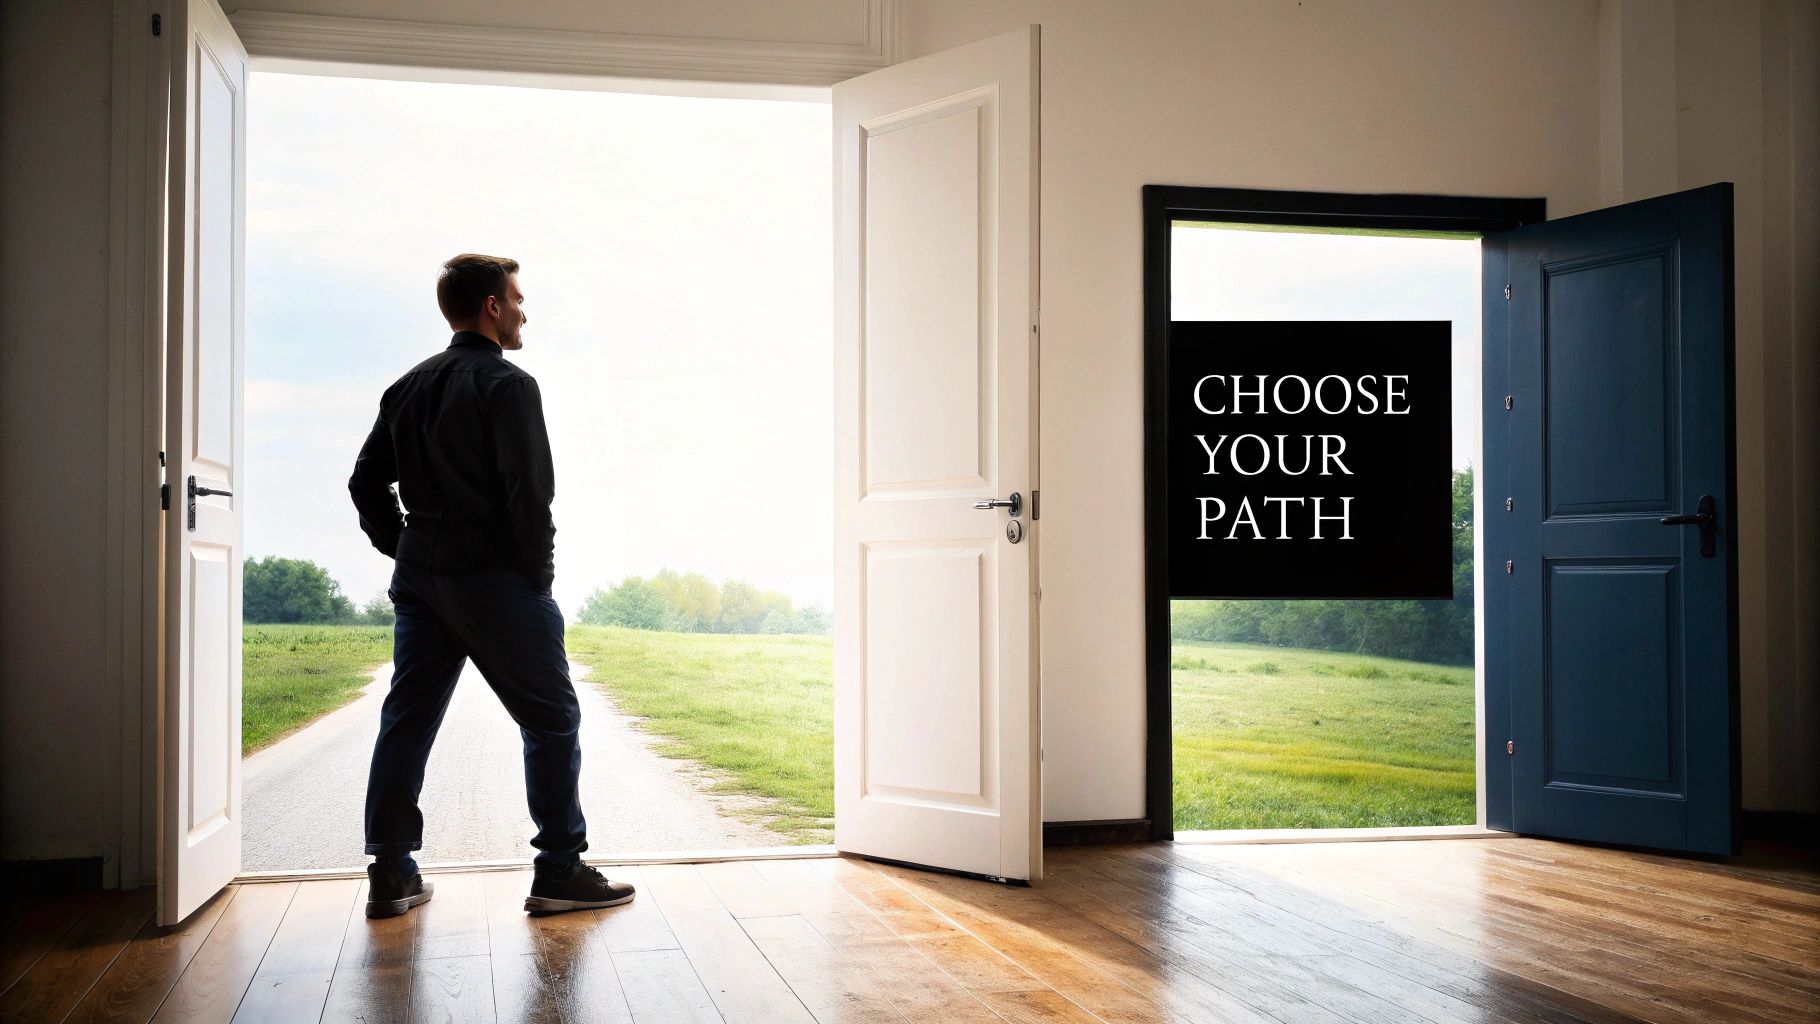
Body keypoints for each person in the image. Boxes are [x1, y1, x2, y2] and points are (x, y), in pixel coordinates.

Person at [347, 253, 634, 918]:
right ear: (492, 306)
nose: (524, 312)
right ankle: (559, 871)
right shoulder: (509, 384)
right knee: (552, 720)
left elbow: (365, 482)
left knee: (407, 719)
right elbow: (529, 495)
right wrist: (537, 579)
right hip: (494, 578)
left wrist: (404, 545)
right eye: (518, 299)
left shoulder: (407, 386)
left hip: (422, 578)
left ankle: (391, 873)